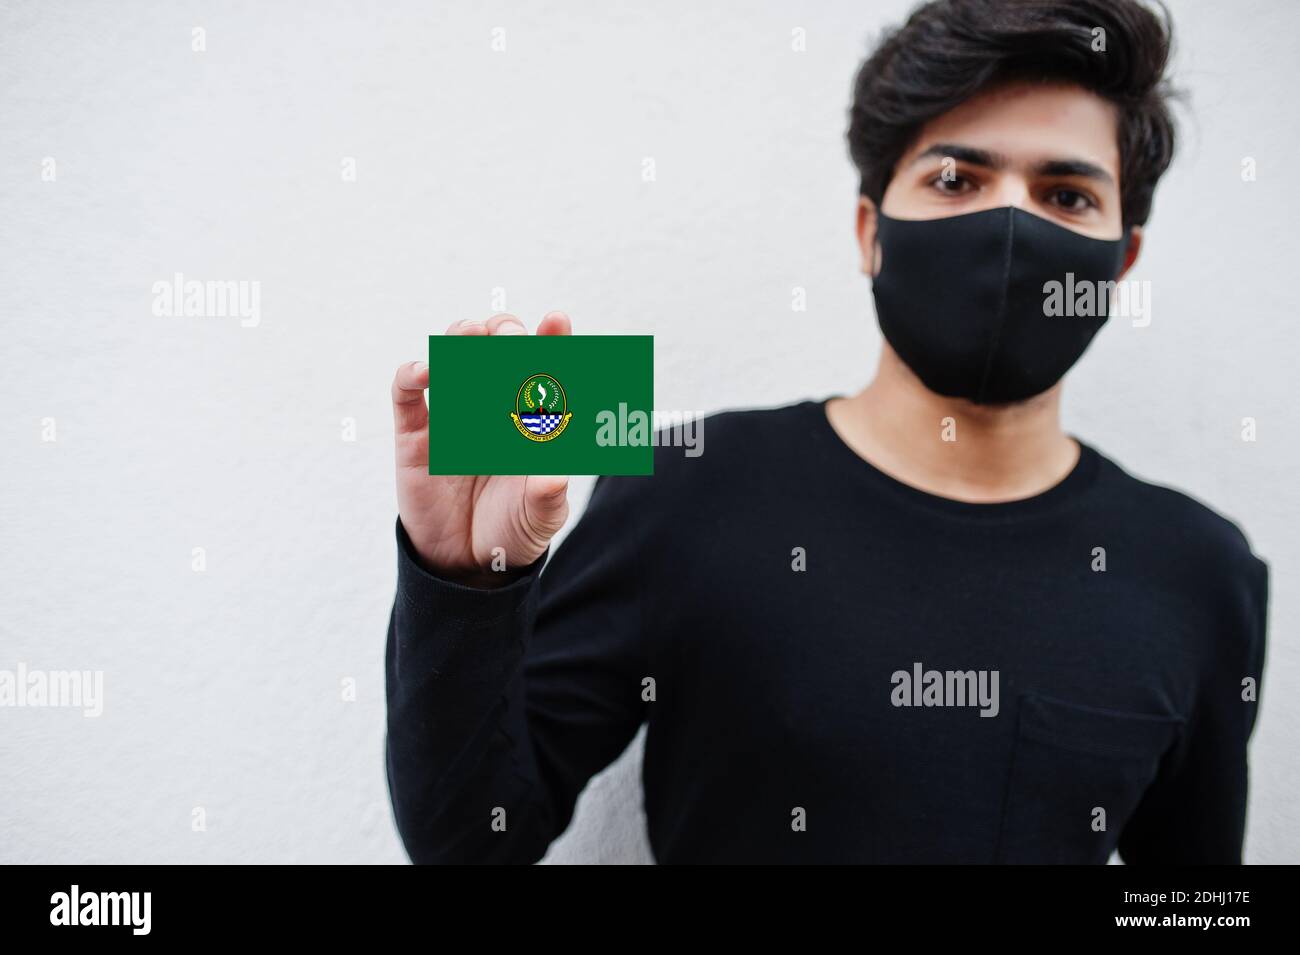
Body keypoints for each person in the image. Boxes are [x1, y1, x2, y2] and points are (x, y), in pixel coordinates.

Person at [384, 0, 1268, 864]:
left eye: (1066, 193)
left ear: (1124, 258)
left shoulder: (1199, 570)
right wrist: (462, 581)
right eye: (956, 179)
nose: (1009, 229)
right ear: (870, 232)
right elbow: (472, 839)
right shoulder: (685, 486)